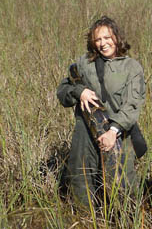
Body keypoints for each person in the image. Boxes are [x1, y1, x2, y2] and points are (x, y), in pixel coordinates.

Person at [57, 16, 146, 207]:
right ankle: (86, 226)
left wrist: (113, 132)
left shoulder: (131, 67)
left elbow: (132, 104)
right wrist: (79, 91)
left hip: (119, 132)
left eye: (107, 37)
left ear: (117, 37)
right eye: (98, 39)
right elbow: (63, 92)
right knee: (81, 180)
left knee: (123, 186)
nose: (103, 43)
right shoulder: (84, 64)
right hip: (85, 131)